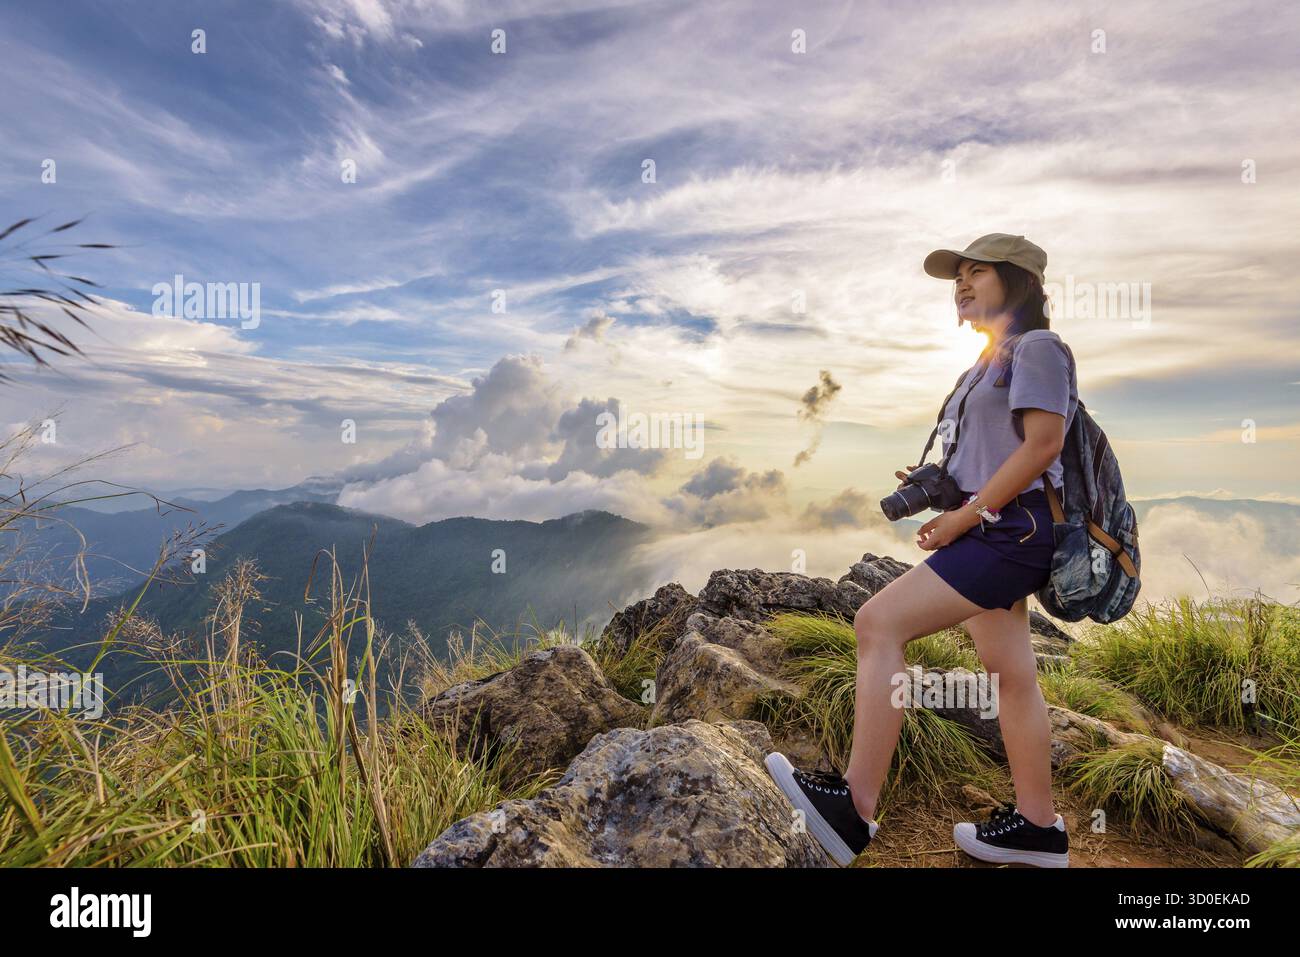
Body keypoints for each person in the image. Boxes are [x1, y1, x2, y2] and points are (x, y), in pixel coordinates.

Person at [764, 233, 1077, 868]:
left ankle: (853, 810)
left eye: (977, 273)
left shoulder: (1040, 348)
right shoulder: (987, 362)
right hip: (999, 526)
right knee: (1012, 678)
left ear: (1016, 281)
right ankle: (1039, 829)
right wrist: (942, 486)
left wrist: (965, 515)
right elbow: (996, 452)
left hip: (1011, 534)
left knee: (878, 623)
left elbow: (1043, 445)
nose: (962, 285)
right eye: (956, 276)